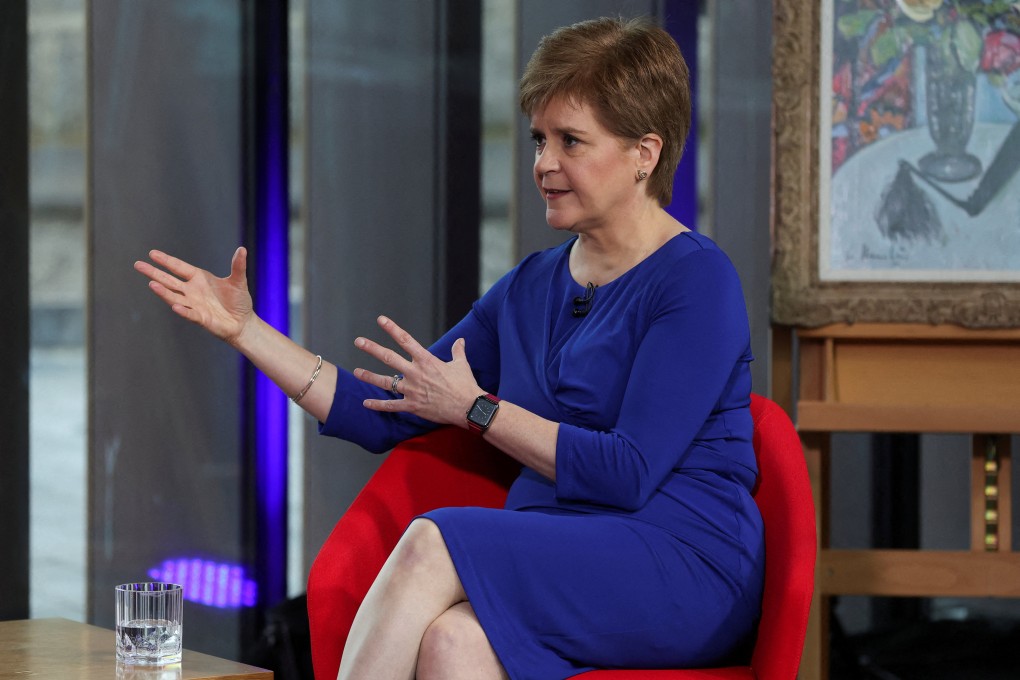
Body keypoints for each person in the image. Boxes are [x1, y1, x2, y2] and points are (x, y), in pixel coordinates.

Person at [134, 16, 763, 680]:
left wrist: (479, 410)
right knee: (451, 644)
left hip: (681, 561)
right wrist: (247, 330)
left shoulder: (696, 281)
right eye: (539, 139)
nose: (544, 164)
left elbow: (628, 471)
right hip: (561, 549)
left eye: (571, 141)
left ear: (645, 153)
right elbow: (381, 411)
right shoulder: (529, 288)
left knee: (431, 542)